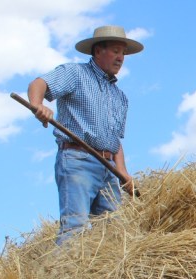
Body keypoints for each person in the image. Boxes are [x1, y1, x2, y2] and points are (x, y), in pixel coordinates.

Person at [27, 25, 143, 244]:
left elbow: (114, 140)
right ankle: (63, 275)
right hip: (78, 160)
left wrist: (123, 172)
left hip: (108, 168)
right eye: (115, 51)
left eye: (123, 53)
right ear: (98, 51)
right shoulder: (75, 74)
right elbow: (39, 83)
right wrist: (37, 105)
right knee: (75, 226)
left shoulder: (120, 97)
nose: (120, 58)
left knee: (113, 233)